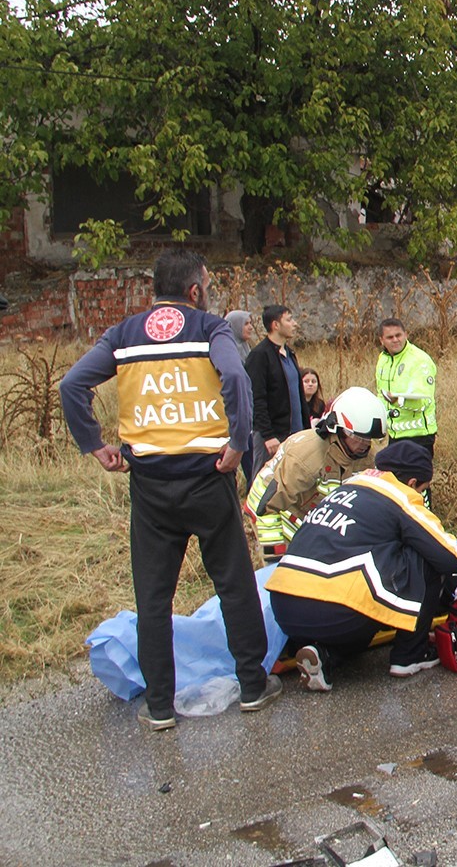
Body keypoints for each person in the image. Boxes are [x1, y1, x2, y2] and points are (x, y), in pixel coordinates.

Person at [60, 249, 281, 730]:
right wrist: (239, 445)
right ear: (196, 290)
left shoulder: (124, 334)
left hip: (151, 487)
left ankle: (159, 706)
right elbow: (236, 378)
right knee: (234, 586)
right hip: (208, 477)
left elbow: (72, 385)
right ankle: (251, 686)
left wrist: (95, 445)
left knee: (153, 599)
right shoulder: (209, 328)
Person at [266, 441, 457, 692]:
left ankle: (324, 655)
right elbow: (451, 557)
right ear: (413, 483)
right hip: (334, 610)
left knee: (359, 609)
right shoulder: (400, 495)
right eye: (423, 490)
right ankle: (410, 655)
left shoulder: (349, 485)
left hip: (284, 608)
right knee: (423, 555)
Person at [246, 386, 385, 559]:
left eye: (369, 439)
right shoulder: (307, 458)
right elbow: (268, 508)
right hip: (271, 511)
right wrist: (275, 557)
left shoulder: (363, 454)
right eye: (358, 438)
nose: (365, 444)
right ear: (338, 429)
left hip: (306, 511)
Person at [245, 304, 304, 475]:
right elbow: (256, 398)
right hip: (273, 436)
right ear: (275, 325)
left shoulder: (290, 354)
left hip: (295, 434)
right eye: (289, 319)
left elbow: (298, 396)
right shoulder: (259, 356)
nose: (295, 324)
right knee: (264, 480)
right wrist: (268, 435)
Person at [375, 319, 437, 452]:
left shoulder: (420, 360)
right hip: (395, 435)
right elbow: (381, 393)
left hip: (419, 436)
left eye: (398, 335)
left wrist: (398, 401)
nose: (395, 340)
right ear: (381, 340)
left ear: (406, 335)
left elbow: (423, 401)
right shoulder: (383, 359)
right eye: (390, 337)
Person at [226, 309, 257, 483]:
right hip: (237, 410)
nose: (251, 327)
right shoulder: (228, 353)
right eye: (246, 323)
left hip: (250, 408)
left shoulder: (246, 348)